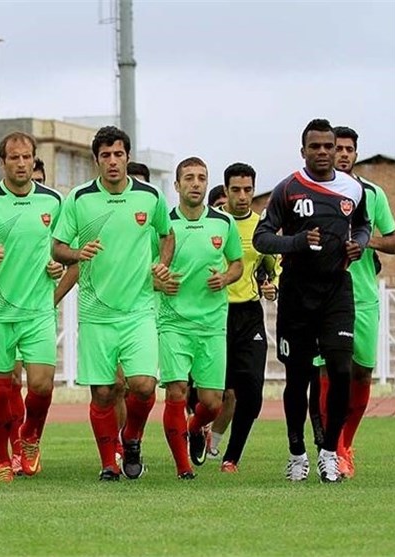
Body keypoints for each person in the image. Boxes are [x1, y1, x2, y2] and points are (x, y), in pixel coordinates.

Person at [52, 126, 174, 481]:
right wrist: (77, 252)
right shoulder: (79, 198)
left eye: (118, 154)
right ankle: (108, 463)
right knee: (104, 392)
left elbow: (168, 234)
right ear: (96, 160)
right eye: (105, 155)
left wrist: (162, 264)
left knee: (144, 386)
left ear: (127, 157)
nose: (113, 161)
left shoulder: (150, 196)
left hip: (139, 310)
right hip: (96, 313)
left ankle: (132, 437)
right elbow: (57, 247)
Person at [253, 118, 370, 483]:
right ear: (303, 150)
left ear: (337, 149)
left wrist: (360, 243)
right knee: (298, 377)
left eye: (328, 146)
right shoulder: (287, 189)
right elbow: (262, 238)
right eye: (315, 146)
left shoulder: (353, 189)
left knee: (340, 371)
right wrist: (298, 242)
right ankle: (296, 453)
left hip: (337, 290)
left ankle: (330, 452)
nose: (323, 152)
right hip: (297, 294)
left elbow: (363, 225)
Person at [0, 131, 64, 482]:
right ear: (2, 162)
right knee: (0, 388)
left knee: (41, 386)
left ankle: (30, 437)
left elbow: (64, 248)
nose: (21, 164)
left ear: (35, 160)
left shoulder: (53, 201)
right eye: (14, 158)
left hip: (37, 309)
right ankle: (1, 459)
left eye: (27, 158)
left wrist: (59, 266)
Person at [314, 126, 395, 478]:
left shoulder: (372, 194)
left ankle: (345, 442)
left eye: (349, 149)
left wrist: (367, 242)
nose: (343, 154)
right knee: (328, 370)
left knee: (362, 370)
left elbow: (394, 240)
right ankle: (331, 450)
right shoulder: (312, 191)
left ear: (355, 153)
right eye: (338, 148)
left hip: (362, 297)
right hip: (322, 296)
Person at [157, 157, 243, 479]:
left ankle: (195, 428)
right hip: (173, 322)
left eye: (201, 178)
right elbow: (149, 271)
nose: (196, 183)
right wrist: (159, 280)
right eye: (189, 178)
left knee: (212, 403)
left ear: (207, 184)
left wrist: (225, 278)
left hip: (211, 324)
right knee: (176, 391)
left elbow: (237, 264)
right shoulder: (164, 226)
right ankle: (183, 468)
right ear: (177, 185)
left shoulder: (223, 223)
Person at [203, 163, 279, 472]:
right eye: (236, 190)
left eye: (248, 189)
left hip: (249, 314)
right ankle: (201, 432)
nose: (243, 195)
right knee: (215, 393)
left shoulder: (263, 228)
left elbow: (275, 267)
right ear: (226, 191)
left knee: (252, 393)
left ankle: (230, 457)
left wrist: (273, 285)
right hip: (213, 313)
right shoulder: (213, 224)